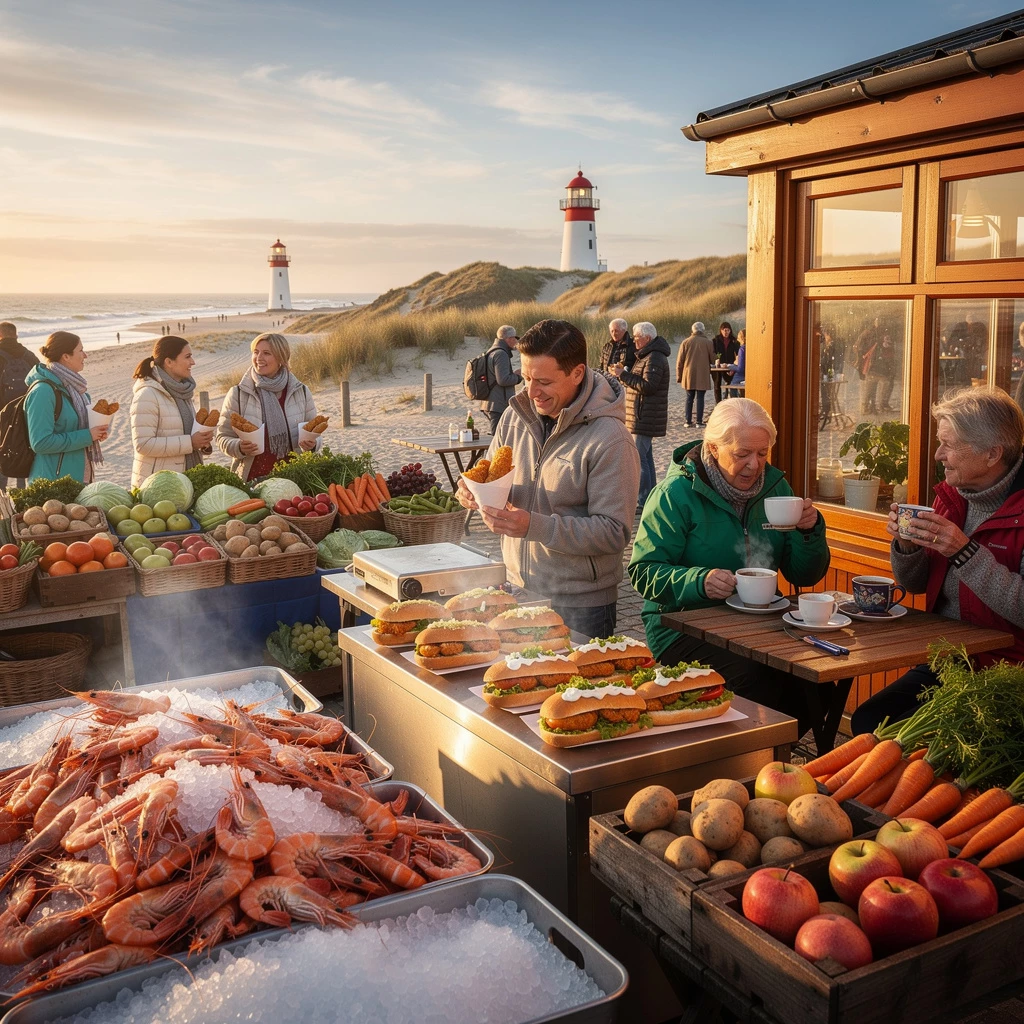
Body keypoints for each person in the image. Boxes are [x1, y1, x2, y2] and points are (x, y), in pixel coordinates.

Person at [629, 398, 829, 722]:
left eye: (762, 454)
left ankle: (772, 757)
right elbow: (643, 572)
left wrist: (809, 532)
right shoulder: (675, 494)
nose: (754, 465)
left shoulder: (777, 490)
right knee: (755, 676)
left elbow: (803, 574)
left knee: (817, 677)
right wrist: (698, 582)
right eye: (742, 454)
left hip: (759, 624)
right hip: (683, 627)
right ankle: (748, 757)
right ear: (713, 447)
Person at [851, 387, 1024, 734]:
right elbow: (914, 584)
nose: (937, 453)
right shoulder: (951, 497)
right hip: (950, 661)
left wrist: (964, 552)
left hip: (1007, 673)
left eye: (949, 444)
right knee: (869, 721)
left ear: (992, 453)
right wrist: (906, 546)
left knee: (894, 740)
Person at [456, 318, 640, 637]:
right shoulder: (515, 416)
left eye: (543, 381)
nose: (531, 392)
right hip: (517, 589)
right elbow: (489, 471)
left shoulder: (612, 439)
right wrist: (473, 490)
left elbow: (614, 533)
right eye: (526, 378)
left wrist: (534, 526)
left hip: (582, 605)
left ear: (577, 373)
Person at [217, 333, 318, 481]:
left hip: (294, 477)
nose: (259, 358)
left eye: (266, 353)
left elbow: (315, 432)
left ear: (281, 358)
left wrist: (313, 445)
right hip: (251, 477)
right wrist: (239, 447)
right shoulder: (238, 393)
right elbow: (222, 436)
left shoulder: (300, 391)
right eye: (256, 352)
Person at [129, 336, 214, 488]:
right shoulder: (147, 394)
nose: (193, 362)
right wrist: (190, 442)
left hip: (184, 480)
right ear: (169, 362)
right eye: (187, 357)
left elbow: (184, 431)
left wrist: (202, 442)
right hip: (158, 486)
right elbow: (143, 444)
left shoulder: (182, 391)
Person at [24, 331, 108, 484]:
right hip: (53, 483)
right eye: (81, 350)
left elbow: (77, 429)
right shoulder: (43, 391)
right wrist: (87, 436)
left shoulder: (77, 390)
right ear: (66, 356)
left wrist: (96, 433)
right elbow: (41, 442)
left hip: (78, 479)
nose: (85, 355)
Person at [609, 322, 670, 511]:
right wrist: (624, 374)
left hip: (645, 415)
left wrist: (623, 376)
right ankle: (649, 498)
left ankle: (644, 501)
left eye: (637, 337)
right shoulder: (648, 356)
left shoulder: (654, 357)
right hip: (642, 414)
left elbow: (648, 386)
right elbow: (643, 383)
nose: (634, 341)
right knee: (646, 458)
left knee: (637, 458)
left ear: (647, 338)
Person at [0, 322, 39, 491]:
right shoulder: (29, 355)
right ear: (16, 335)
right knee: (24, 449)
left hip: (2, 412)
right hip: (26, 411)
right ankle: (23, 489)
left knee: (3, 448)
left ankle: (2, 495)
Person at [480, 326, 522, 435]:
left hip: (491, 402)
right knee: (497, 440)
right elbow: (503, 380)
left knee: (500, 437)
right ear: (508, 338)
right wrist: (518, 376)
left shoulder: (492, 351)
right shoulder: (501, 354)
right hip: (498, 404)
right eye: (515, 338)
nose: (516, 341)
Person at [676, 321, 714, 428]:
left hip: (688, 374)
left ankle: (688, 421)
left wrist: (679, 376)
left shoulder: (685, 342)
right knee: (700, 398)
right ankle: (699, 421)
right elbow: (713, 359)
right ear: (703, 330)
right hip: (702, 374)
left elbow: (680, 361)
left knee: (689, 397)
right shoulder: (708, 343)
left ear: (692, 330)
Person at [712, 322, 740, 403]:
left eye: (728, 330)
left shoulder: (734, 341)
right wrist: (716, 361)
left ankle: (730, 401)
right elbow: (713, 352)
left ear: (730, 331)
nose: (726, 332)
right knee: (717, 385)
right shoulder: (715, 340)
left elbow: (738, 354)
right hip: (717, 366)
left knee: (730, 384)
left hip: (730, 366)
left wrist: (734, 367)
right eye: (724, 330)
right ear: (721, 331)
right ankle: (718, 403)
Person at [724, 329, 747, 398]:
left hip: (741, 375)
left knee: (732, 387)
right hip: (750, 374)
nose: (737, 339)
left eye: (738, 337)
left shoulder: (742, 349)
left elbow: (740, 368)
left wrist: (729, 366)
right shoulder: (751, 347)